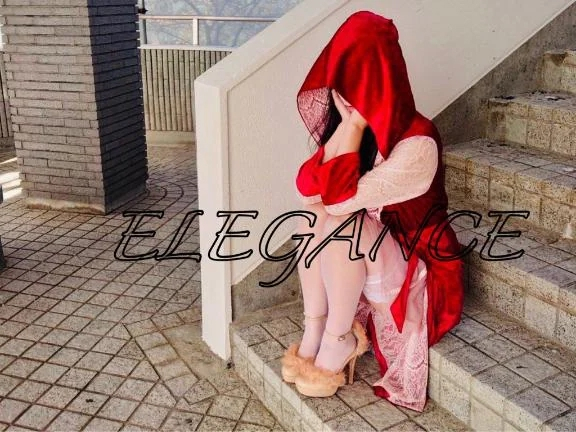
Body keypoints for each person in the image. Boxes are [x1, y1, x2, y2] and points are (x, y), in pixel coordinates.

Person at [281, 11, 464, 412]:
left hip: (422, 264)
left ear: (382, 78)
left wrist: (352, 129)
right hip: (375, 250)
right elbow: (307, 190)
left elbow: (339, 202)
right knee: (311, 218)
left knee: (338, 222)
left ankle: (340, 338)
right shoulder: (358, 130)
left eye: (359, 80)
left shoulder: (418, 143)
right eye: (342, 81)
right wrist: (346, 129)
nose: (348, 94)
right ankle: (315, 328)